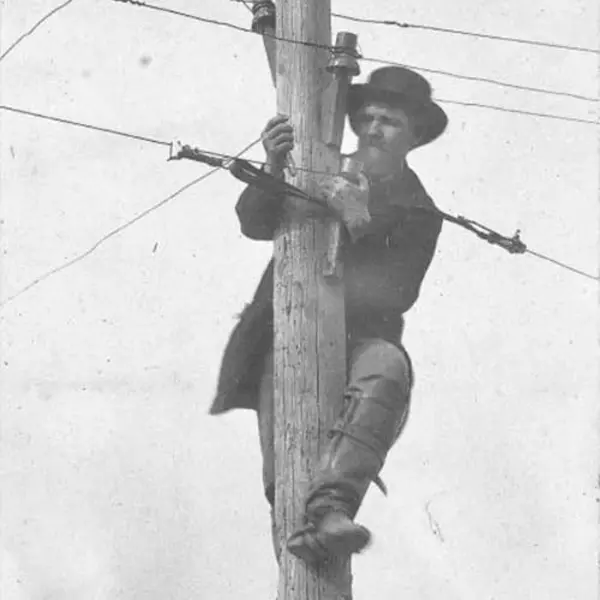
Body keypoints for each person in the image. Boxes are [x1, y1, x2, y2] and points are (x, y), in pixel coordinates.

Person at [209, 66, 448, 565]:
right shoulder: (318, 165)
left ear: (415, 136)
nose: (373, 130)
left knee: (387, 371)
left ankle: (334, 507)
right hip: (288, 334)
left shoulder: (419, 209)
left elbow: (398, 294)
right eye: (367, 118)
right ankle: (305, 537)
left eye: (390, 122)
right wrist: (275, 164)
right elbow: (253, 222)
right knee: (288, 469)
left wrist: (359, 220)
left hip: (361, 339)